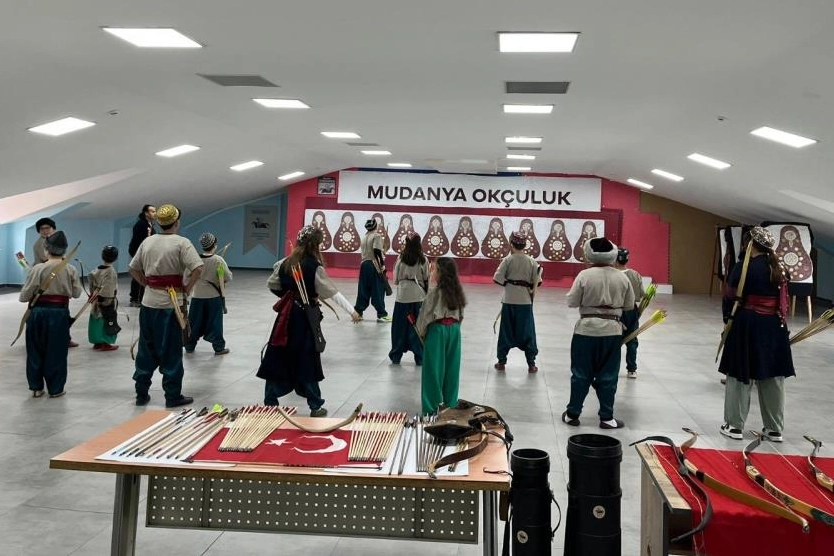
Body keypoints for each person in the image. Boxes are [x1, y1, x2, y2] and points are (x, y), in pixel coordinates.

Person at [258, 226, 361, 416]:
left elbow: (273, 284)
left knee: (279, 354)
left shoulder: (285, 262)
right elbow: (331, 292)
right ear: (314, 245)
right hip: (304, 318)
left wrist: (288, 296)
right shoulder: (313, 266)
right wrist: (352, 311)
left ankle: (270, 402)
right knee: (306, 359)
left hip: (286, 316)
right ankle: (315, 405)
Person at [718, 226, 794, 442]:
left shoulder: (744, 267)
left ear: (749, 244)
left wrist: (727, 321)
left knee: (739, 373)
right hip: (775, 326)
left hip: (747, 324)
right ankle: (774, 429)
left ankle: (734, 426)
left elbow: (730, 297)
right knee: (773, 375)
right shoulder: (779, 267)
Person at [129, 204, 203, 408]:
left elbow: (133, 268)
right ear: (176, 222)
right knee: (171, 350)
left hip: (148, 303)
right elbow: (198, 267)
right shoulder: (182, 243)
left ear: (159, 223)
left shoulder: (148, 241)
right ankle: (172, 395)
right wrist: (187, 288)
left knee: (146, 348)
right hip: (172, 305)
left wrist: (145, 283)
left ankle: (141, 393)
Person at [562, 237, 634, 429]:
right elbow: (629, 305)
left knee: (580, 373)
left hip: (585, 330)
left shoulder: (584, 275)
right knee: (609, 375)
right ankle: (607, 418)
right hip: (612, 331)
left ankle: (572, 414)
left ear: (589, 253)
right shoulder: (622, 277)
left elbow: (571, 301)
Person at [19, 231, 82, 398]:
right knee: (57, 351)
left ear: (46, 250)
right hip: (59, 313)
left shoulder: (37, 269)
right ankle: (56, 389)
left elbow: (24, 297)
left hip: (37, 313)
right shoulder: (70, 269)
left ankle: (36, 388)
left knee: (35, 350)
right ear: (64, 250)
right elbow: (76, 293)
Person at [415, 257, 466, 415]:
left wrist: (422, 334)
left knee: (433, 371)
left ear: (441, 273)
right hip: (455, 331)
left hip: (437, 331)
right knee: (452, 370)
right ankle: (450, 405)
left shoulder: (434, 293)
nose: (432, 272)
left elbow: (424, 317)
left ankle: (432, 409)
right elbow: (461, 315)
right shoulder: (457, 292)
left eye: (435, 270)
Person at [493, 231, 541, 373]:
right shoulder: (532, 261)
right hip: (525, 302)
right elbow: (537, 282)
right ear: (524, 245)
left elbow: (497, 278)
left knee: (506, 331)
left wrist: (510, 284)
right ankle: (531, 364)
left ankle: (501, 362)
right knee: (528, 332)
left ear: (511, 244)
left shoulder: (507, 260)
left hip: (509, 300)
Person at [185, 233, 232, 355]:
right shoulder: (218, 260)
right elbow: (227, 277)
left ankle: (189, 345)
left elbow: (186, 277)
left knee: (193, 322)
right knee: (215, 323)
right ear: (214, 245)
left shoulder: (195, 259)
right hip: (213, 297)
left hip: (197, 295)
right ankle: (219, 347)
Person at [389, 232, 429, 365]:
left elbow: (396, 278)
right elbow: (426, 278)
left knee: (399, 327)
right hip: (418, 296)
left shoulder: (401, 258)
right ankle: (420, 356)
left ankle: (396, 355)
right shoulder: (423, 259)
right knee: (417, 327)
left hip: (402, 296)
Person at [354, 218, 391, 322]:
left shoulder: (364, 237)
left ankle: (358, 312)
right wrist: (382, 265)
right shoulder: (377, 236)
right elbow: (377, 251)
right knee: (378, 289)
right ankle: (382, 314)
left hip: (364, 265)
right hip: (374, 264)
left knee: (363, 289)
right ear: (375, 226)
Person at [616, 248, 644, 379]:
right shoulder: (635, 274)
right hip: (632, 311)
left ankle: (611, 367)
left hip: (616, 310)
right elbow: (642, 294)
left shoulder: (612, 274)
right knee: (632, 339)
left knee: (614, 340)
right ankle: (632, 369)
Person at [88, 245, 121, 351]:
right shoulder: (111, 272)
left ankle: (97, 342)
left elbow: (91, 281)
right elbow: (108, 289)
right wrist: (105, 300)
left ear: (102, 256)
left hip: (96, 300)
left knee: (96, 320)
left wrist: (93, 294)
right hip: (106, 301)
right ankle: (105, 342)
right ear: (116, 258)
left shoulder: (97, 269)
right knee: (107, 320)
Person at [128, 205, 157, 307]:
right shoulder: (141, 224)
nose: (155, 213)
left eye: (155, 211)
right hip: (138, 252)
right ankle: (135, 298)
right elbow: (140, 241)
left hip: (144, 252)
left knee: (143, 274)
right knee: (139, 274)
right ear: (146, 213)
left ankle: (140, 298)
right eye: (152, 211)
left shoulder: (150, 224)